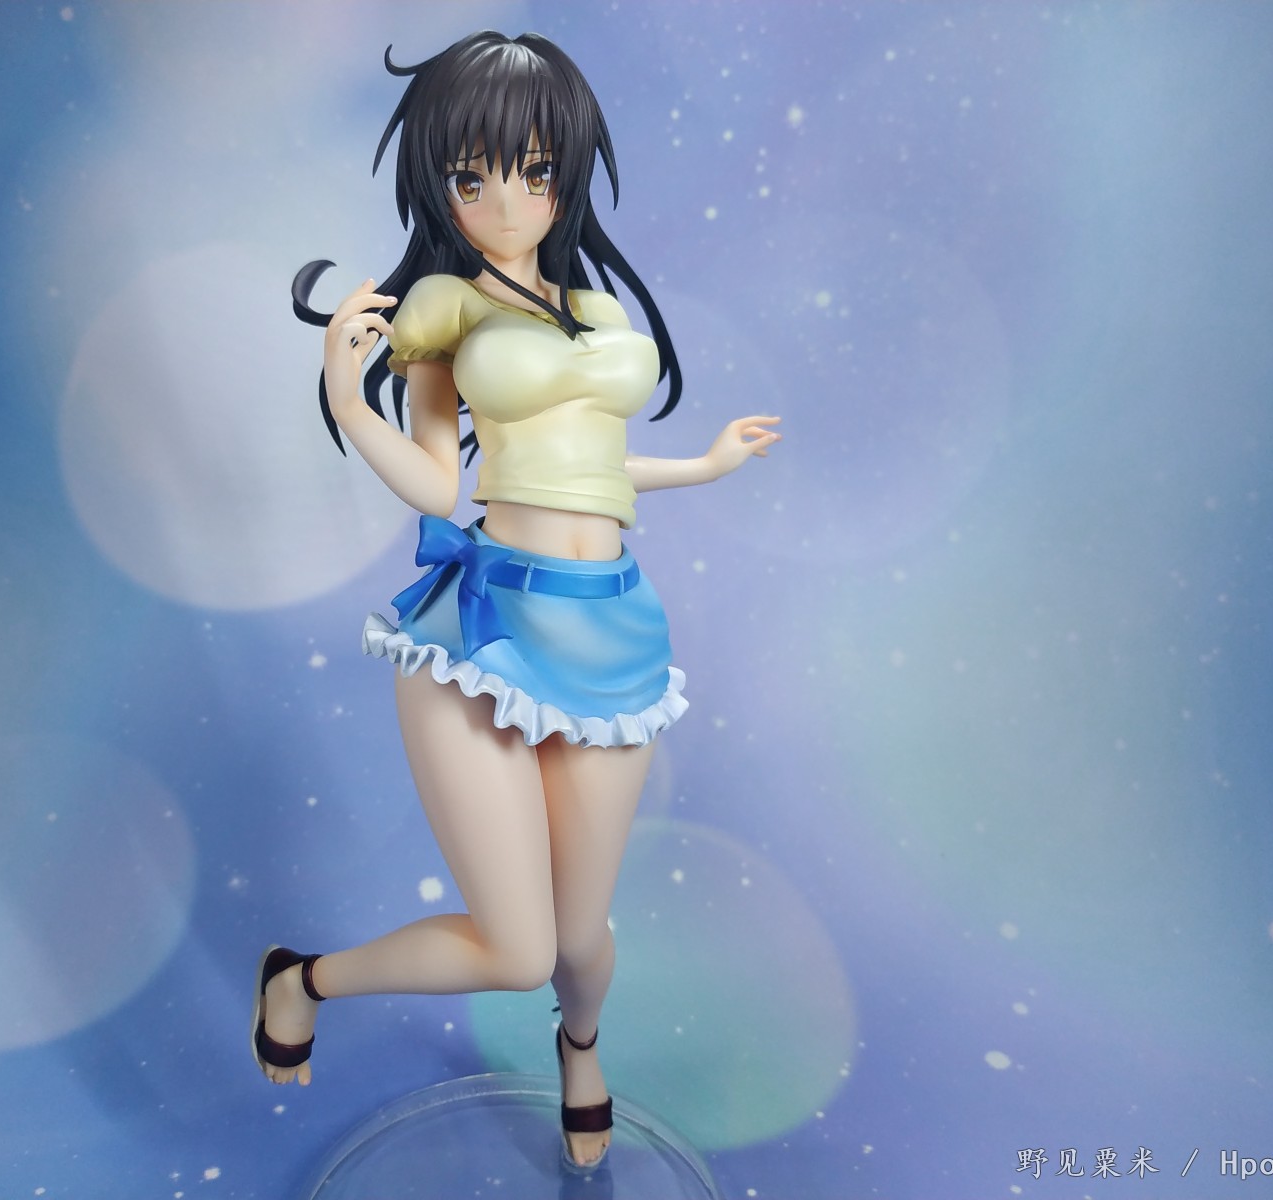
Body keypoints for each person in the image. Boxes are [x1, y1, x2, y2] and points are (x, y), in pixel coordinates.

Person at [256, 30, 780, 1170]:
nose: (506, 203)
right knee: (516, 946)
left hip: (611, 628)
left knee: (580, 941)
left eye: (534, 172)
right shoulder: (443, 307)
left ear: (566, 173)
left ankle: (579, 1049)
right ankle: (303, 979)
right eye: (472, 177)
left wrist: (704, 467)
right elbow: (439, 485)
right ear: (440, 183)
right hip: (485, 632)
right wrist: (349, 403)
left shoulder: (594, 311)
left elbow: (592, 465)